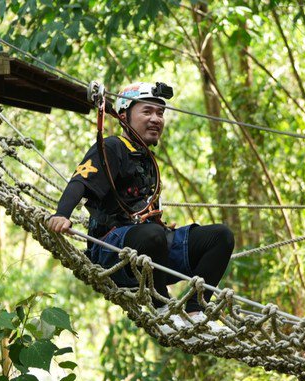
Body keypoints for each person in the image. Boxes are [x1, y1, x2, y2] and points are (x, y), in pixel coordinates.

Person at [47, 82, 234, 334]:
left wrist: (159, 227)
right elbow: (81, 179)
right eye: (147, 112)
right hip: (114, 254)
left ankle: (195, 312)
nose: (156, 119)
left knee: (220, 236)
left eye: (160, 113)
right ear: (124, 117)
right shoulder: (114, 147)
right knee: (153, 236)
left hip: (151, 253)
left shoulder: (146, 158)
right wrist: (62, 214)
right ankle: (163, 312)